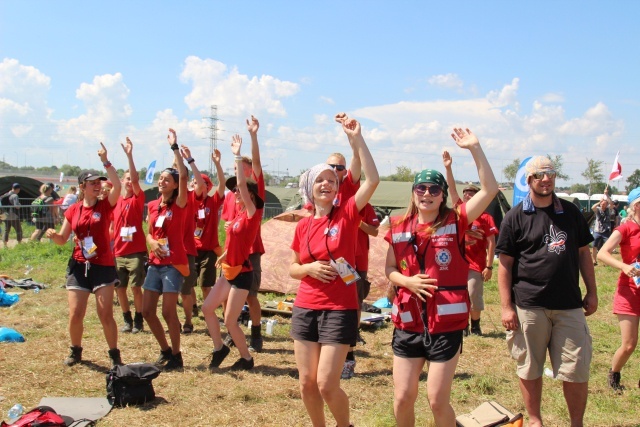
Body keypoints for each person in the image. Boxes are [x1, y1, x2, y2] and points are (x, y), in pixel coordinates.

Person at [385, 128, 497, 427]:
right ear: (413, 192)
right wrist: (406, 281)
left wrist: (475, 148)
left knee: (437, 400)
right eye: (421, 188)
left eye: (434, 190)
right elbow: (389, 269)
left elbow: (490, 190)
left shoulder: (456, 221)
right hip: (408, 323)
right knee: (402, 398)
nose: (427, 194)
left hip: (445, 325)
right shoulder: (398, 226)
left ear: (443, 195)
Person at [289, 113, 379, 427]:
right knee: (306, 383)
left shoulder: (348, 213)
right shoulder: (302, 226)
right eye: (320, 179)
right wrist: (308, 268)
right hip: (305, 308)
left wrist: (356, 140)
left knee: (327, 383)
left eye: (332, 179)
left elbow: (373, 180)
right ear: (309, 189)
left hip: (338, 308)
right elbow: (292, 268)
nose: (326, 183)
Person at [496, 155, 597, 427]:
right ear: (528, 179)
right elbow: (504, 265)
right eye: (539, 174)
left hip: (569, 304)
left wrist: (592, 292)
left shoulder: (570, 212)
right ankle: (535, 420)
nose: (546, 179)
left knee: (576, 369)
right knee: (529, 366)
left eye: (550, 173)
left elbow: (584, 253)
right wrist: (506, 307)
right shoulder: (515, 217)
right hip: (529, 305)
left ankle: (577, 422)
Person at [45, 143, 123, 368]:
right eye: (93, 183)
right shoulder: (73, 210)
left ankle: (114, 354)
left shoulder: (106, 206)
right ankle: (76, 350)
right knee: (75, 313)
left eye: (99, 182)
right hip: (79, 266)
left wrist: (105, 161)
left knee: (105, 313)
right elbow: (62, 239)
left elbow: (116, 185)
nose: (98, 186)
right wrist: (52, 235)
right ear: (82, 186)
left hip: (103, 266)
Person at [203, 133, 264, 371]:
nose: (235, 193)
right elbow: (234, 241)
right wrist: (225, 253)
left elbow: (241, 184)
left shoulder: (252, 213)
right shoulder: (237, 215)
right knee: (208, 308)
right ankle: (219, 348)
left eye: (239, 191)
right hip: (229, 269)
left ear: (249, 195)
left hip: (242, 274)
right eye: (235, 192)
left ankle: (246, 359)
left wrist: (237, 156)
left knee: (230, 320)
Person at [142, 129, 189, 371]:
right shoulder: (151, 205)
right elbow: (150, 231)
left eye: (166, 180)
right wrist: (150, 240)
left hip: (173, 264)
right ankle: (165, 350)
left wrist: (174, 148)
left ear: (174, 185)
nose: (162, 181)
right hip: (154, 263)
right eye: (160, 178)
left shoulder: (180, 204)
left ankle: (177, 355)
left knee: (168, 311)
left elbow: (182, 174)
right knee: (147, 310)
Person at [220, 115, 266, 352]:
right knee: (228, 295)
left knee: (251, 295)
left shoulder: (255, 193)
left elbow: (256, 162)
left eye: (242, 170)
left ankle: (256, 332)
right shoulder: (232, 196)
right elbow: (228, 222)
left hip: (251, 252)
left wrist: (253, 135)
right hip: (232, 254)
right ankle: (233, 330)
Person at [443, 151, 498, 336]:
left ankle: (475, 325)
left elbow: (491, 242)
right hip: (456, 262)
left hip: (476, 263)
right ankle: (462, 325)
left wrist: (489, 266)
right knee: (457, 294)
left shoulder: (486, 218)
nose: (467, 195)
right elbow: (451, 188)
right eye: (465, 193)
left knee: (473, 293)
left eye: (471, 193)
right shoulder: (459, 210)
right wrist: (448, 167)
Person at [597, 187, 640, 391]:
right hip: (629, 292)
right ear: (637, 205)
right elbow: (602, 254)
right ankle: (614, 374)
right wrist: (623, 266)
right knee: (629, 344)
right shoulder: (625, 229)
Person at [342, 202, 379, 380]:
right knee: (341, 299)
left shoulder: (365, 206)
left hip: (359, 261)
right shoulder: (336, 203)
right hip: (341, 261)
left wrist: (359, 222)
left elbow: (375, 231)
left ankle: (353, 333)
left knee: (356, 301)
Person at [113, 137, 146, 334]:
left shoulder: (137, 198)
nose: (128, 182)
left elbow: (134, 179)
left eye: (129, 179)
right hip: (118, 251)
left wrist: (129, 155)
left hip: (135, 252)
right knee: (120, 288)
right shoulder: (115, 201)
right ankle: (127, 319)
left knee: (136, 288)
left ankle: (139, 319)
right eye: (124, 179)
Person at [191, 150, 225, 327]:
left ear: (208, 186)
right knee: (189, 284)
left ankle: (207, 310)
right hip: (191, 249)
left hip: (209, 250)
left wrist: (218, 164)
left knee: (206, 285)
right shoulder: (190, 201)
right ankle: (193, 307)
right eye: (195, 182)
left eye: (202, 183)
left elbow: (222, 183)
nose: (197, 185)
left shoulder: (213, 201)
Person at [177, 144, 207, 334]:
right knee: (172, 293)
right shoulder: (163, 201)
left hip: (186, 251)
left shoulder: (189, 197)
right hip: (166, 252)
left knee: (185, 291)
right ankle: (174, 321)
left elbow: (201, 184)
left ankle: (188, 321)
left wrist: (189, 160)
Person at [591, 195, 613, 266]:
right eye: (601, 204)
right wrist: (599, 202)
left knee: (608, 247)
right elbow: (592, 207)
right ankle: (594, 260)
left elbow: (612, 204)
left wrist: (606, 195)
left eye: (603, 204)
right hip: (597, 231)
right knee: (594, 246)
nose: (602, 205)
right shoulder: (598, 209)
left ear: (606, 204)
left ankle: (607, 261)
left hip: (606, 231)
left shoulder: (608, 209)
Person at [3, 183, 22, 248]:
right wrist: (20, 205)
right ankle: (19, 243)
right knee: (18, 229)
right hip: (13, 215)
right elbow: (16, 206)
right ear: (18, 189)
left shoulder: (6, 194)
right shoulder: (15, 196)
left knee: (6, 230)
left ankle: (5, 245)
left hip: (5, 214)